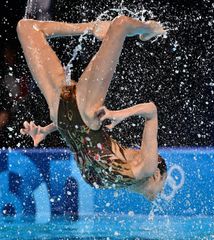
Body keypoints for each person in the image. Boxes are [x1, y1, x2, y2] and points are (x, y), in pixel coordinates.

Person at [16, 16, 167, 201]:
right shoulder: (146, 167)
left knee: (26, 28)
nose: (156, 196)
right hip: (86, 113)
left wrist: (45, 130)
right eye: (160, 189)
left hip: (59, 115)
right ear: (157, 175)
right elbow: (151, 110)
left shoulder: (113, 180)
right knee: (120, 25)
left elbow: (82, 140)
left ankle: (90, 26)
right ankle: (149, 28)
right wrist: (117, 115)